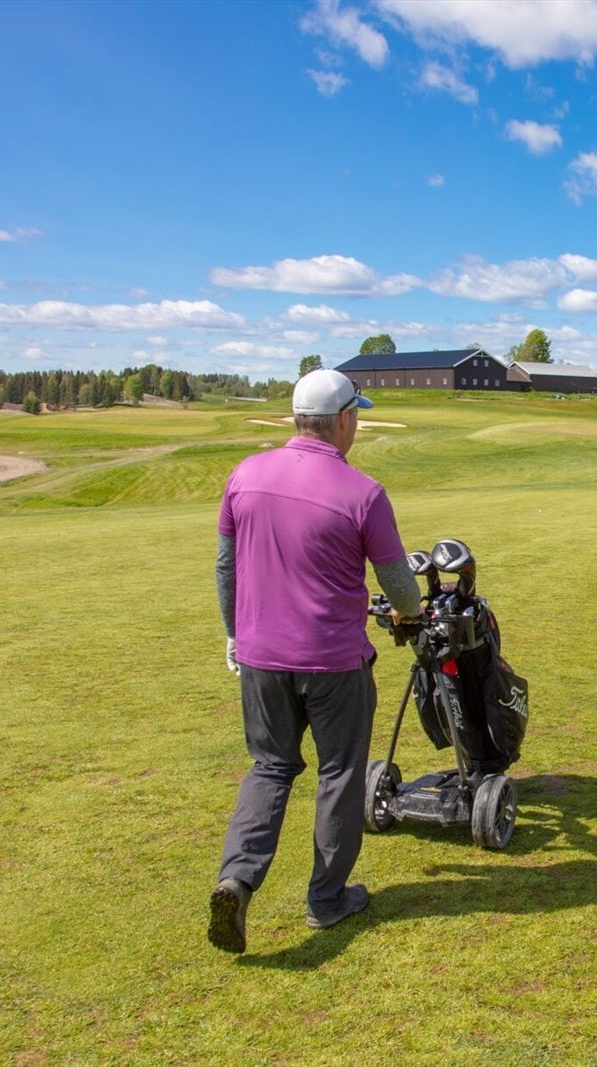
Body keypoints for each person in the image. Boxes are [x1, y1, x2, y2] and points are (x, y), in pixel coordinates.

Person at [208, 369, 423, 953]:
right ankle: (326, 899)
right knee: (340, 773)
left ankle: (237, 879)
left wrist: (234, 635)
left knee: (270, 767)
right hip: (333, 663)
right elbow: (399, 584)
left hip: (259, 659)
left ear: (296, 419)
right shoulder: (362, 491)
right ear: (346, 420)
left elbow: (226, 568)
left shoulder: (245, 476)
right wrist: (410, 612)